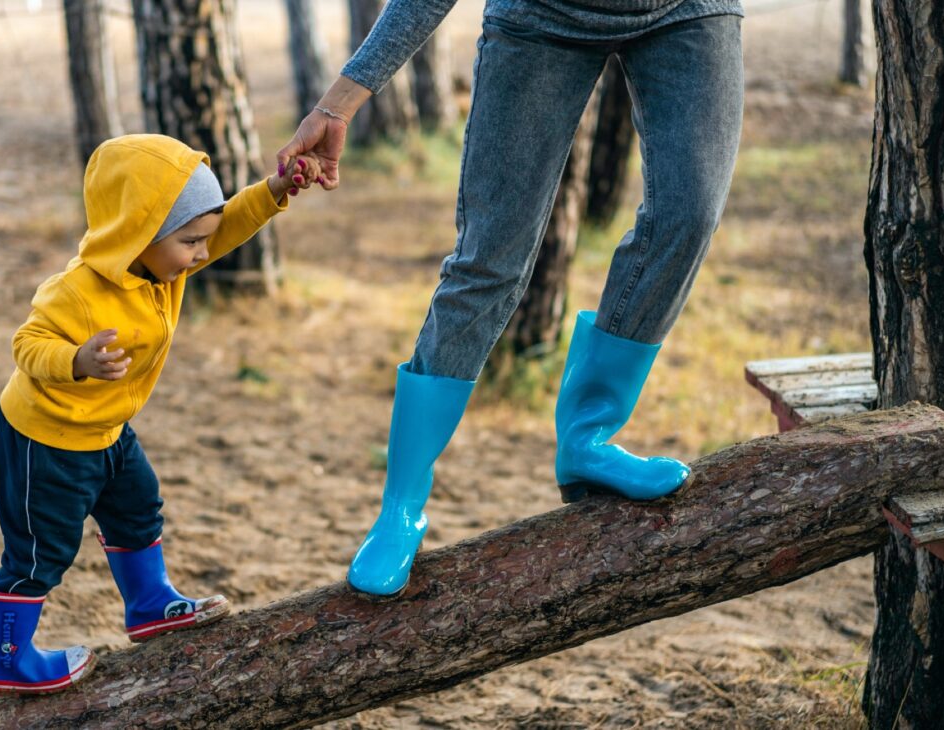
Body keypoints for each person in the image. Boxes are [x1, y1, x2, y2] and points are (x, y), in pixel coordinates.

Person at [278, 0, 744, 597]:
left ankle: (588, 439)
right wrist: (338, 104)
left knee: (687, 218)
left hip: (686, 13)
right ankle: (401, 508)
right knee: (489, 262)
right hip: (541, 18)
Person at [0, 133, 322, 696]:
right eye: (190, 242)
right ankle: (8, 659)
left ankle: (149, 604)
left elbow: (226, 226)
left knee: (139, 507)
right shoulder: (78, 291)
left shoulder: (165, 265)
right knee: (43, 551)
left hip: (109, 431)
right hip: (48, 440)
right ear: (139, 233)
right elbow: (26, 343)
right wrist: (76, 360)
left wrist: (275, 189)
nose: (202, 254)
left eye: (202, 241)